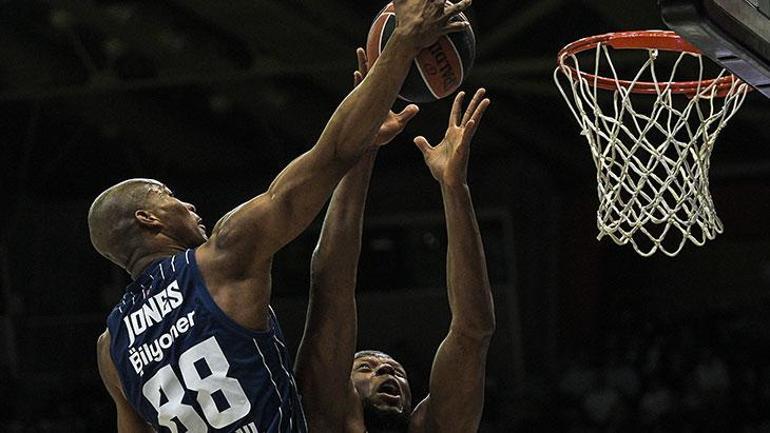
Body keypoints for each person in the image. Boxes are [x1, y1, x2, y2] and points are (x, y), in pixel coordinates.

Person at [89, 1, 472, 432]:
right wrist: (401, 46)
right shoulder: (223, 257)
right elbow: (330, 156)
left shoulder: (111, 350)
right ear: (148, 220)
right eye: (170, 197)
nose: (187, 205)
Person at [294, 46, 495, 433]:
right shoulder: (321, 413)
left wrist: (455, 187)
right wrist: (363, 148)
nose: (384, 370)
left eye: (393, 371)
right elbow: (331, 284)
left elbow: (473, 329)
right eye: (366, 368)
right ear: (340, 385)